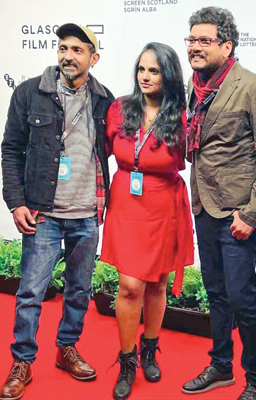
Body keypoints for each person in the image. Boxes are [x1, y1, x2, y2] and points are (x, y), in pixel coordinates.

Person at [0, 24, 114, 400]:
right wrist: (16, 202)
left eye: (78, 50)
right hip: (42, 213)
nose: (68, 55)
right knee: (31, 292)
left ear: (93, 58)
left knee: (79, 290)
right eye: (63, 48)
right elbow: (11, 149)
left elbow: (116, 150)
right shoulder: (30, 92)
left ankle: (67, 348)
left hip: (86, 213)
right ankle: (22, 362)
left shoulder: (103, 99)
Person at [181, 7, 256, 400]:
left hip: (238, 213)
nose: (194, 47)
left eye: (204, 41)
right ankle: (221, 365)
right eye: (191, 40)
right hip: (203, 206)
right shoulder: (195, 83)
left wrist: (252, 213)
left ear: (227, 45)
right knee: (215, 293)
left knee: (241, 298)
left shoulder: (254, 86)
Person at [100, 42, 194, 400]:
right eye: (141, 69)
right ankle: (127, 361)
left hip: (165, 205)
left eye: (154, 70)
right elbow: (100, 152)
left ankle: (149, 348)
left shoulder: (181, 116)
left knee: (156, 284)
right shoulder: (119, 109)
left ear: (168, 75)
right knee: (130, 287)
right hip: (126, 204)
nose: (145, 76)